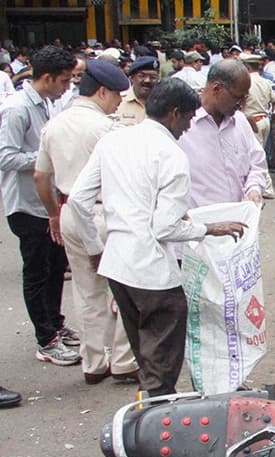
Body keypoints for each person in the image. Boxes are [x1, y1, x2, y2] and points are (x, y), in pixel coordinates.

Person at [66, 79, 246, 396]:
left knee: (147, 358)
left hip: (118, 266)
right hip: (153, 274)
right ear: (175, 114)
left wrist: (95, 247)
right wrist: (208, 229)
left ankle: (151, 410)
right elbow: (165, 228)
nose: (189, 127)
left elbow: (78, 200)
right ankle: (156, 423)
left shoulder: (113, 141)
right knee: (160, 370)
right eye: (189, 118)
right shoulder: (172, 156)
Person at [34, 59, 140, 384]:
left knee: (86, 291)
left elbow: (41, 176)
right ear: (103, 91)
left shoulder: (54, 124)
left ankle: (93, 362)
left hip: (67, 210)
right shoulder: (107, 129)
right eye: (116, 96)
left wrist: (54, 212)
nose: (119, 102)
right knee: (123, 288)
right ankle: (123, 360)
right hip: (102, 212)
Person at [0, 45, 81, 366]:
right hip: (26, 205)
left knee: (54, 268)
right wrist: (47, 159)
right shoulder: (17, 109)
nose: (66, 87)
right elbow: (5, 156)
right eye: (64, 80)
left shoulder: (45, 104)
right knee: (37, 272)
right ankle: (45, 339)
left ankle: (55, 324)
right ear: (46, 77)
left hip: (48, 201)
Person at [178, 59, 268, 210]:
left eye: (245, 98)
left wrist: (254, 189)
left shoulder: (240, 121)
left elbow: (257, 163)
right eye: (238, 97)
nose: (243, 104)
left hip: (241, 224)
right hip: (201, 225)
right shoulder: (184, 127)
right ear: (217, 89)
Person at [240, 53, 275, 198]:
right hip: (264, 119)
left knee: (256, 155)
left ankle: (267, 188)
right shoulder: (265, 82)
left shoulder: (245, 83)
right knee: (260, 151)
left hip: (252, 121)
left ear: (247, 67)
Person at [116, 55, 160, 126]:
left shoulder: (163, 103)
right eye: (142, 76)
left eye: (153, 77)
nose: (147, 80)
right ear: (132, 77)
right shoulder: (118, 102)